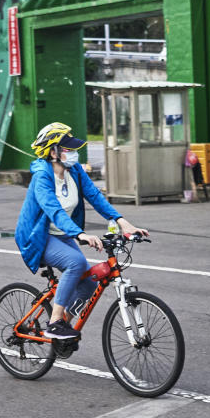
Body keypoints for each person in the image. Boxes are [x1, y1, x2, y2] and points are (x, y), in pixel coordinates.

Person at [15, 122, 148, 341]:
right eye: (68, 149)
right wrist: (80, 234)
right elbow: (54, 210)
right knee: (75, 262)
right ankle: (54, 322)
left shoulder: (74, 171)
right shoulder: (42, 177)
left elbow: (95, 197)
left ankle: (63, 329)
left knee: (89, 280)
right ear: (53, 152)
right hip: (38, 237)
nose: (74, 153)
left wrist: (123, 222)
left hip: (61, 234)